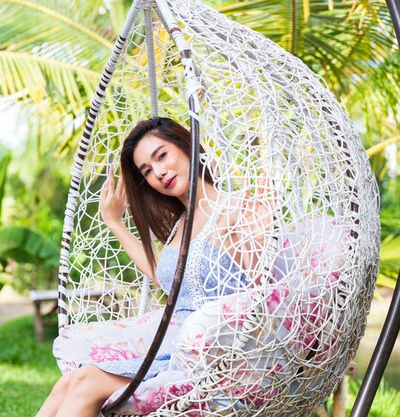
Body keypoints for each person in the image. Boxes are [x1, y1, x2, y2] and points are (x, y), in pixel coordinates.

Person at [36, 117, 273, 417]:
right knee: (69, 381)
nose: (159, 173)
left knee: (85, 381)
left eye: (162, 156)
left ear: (187, 146)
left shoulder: (239, 208)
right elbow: (166, 278)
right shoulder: (181, 226)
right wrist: (115, 223)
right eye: (147, 171)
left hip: (213, 358)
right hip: (170, 350)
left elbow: (265, 292)